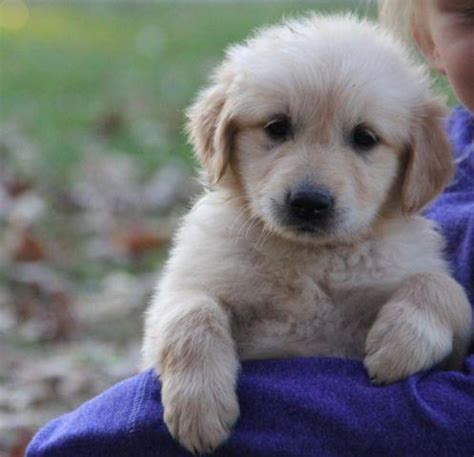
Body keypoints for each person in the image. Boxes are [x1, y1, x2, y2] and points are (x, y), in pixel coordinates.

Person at [27, 2, 474, 456]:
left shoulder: (409, 251)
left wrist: (434, 302)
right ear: (221, 135)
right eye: (277, 129)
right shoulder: (219, 238)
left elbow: (452, 349)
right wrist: (190, 335)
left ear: (415, 161)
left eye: (363, 139)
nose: (311, 186)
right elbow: (176, 308)